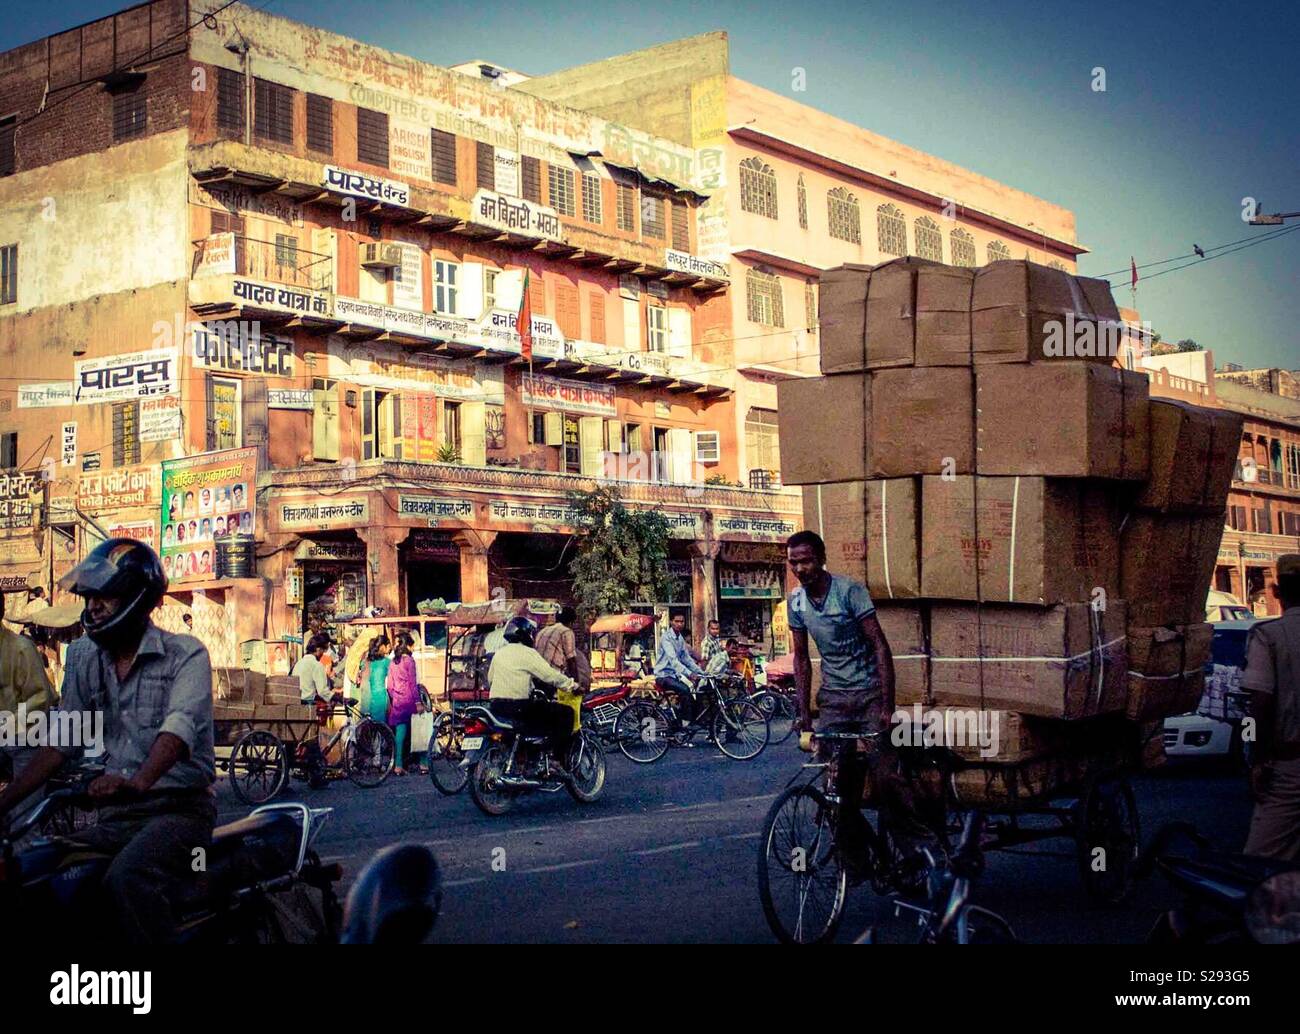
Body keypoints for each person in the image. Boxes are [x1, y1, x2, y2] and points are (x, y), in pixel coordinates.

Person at [0, 539, 216, 944]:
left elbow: (179, 728)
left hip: (180, 814)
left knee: (126, 880)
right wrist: (6, 803)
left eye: (106, 596)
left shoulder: (185, 655)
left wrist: (138, 781)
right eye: (90, 597)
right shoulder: (86, 659)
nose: (93, 606)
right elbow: (61, 743)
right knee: (39, 869)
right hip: (117, 820)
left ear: (139, 597)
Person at [787, 529, 913, 868]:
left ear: (821, 559)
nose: (800, 569)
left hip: (870, 695)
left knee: (885, 777)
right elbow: (801, 658)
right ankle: (856, 860)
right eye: (793, 563)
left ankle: (913, 848)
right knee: (835, 788)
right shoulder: (796, 603)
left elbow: (879, 646)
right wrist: (803, 711)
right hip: (834, 700)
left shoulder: (849, 592)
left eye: (806, 561)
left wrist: (888, 705)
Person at [1241, 554, 1300, 861]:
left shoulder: (1269, 636)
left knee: (1259, 861)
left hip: (1291, 766)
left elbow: (1259, 704)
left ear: (1276, 592)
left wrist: (1258, 758)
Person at [488, 617, 578, 758]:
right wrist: (572, 685)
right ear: (526, 634)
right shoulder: (528, 653)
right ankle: (556, 758)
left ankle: (529, 754)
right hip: (518, 707)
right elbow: (550, 675)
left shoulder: (499, 653)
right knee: (566, 713)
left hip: (496, 706)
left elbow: (490, 679)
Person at [0, 590, 55, 820]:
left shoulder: (21, 648)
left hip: (23, 737)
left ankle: (25, 843)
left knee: (25, 813)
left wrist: (8, 728)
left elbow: (40, 699)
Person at [654, 613, 705, 729]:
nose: (679, 624)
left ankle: (688, 721)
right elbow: (674, 661)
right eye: (677, 621)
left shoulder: (680, 638)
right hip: (663, 676)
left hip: (673, 676)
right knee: (685, 690)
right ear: (671, 622)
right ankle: (685, 724)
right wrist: (689, 674)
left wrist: (701, 672)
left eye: (682, 621)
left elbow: (686, 659)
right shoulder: (666, 638)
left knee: (694, 695)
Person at [386, 633, 423, 775]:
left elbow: (389, 686)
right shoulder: (410, 661)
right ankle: (423, 763)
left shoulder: (393, 662)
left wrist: (395, 697)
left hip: (397, 701)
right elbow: (413, 684)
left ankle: (398, 765)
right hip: (409, 700)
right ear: (408, 645)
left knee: (399, 734)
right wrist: (418, 702)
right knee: (419, 731)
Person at [536, 606, 579, 680]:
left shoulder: (542, 631)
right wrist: (576, 683)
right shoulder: (566, 631)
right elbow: (571, 660)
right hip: (553, 676)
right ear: (571, 622)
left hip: (537, 675)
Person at [363, 635, 391, 724]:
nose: (390, 649)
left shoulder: (366, 662)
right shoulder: (387, 662)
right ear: (383, 647)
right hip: (380, 697)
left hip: (365, 697)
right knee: (380, 727)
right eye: (389, 646)